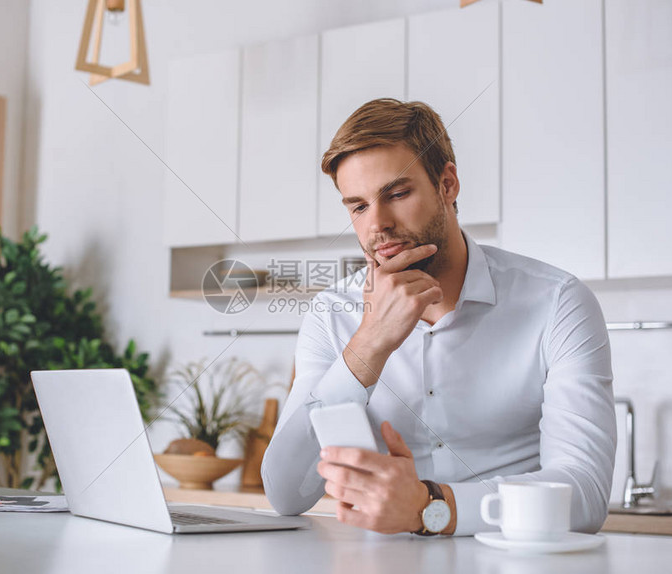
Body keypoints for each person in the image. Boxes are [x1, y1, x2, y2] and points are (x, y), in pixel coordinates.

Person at [261, 98, 616, 536]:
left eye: (397, 194)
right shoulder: (332, 315)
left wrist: (432, 506)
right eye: (358, 206)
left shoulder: (559, 303)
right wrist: (368, 345)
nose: (378, 225)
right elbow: (285, 494)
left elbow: (584, 493)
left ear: (447, 184)